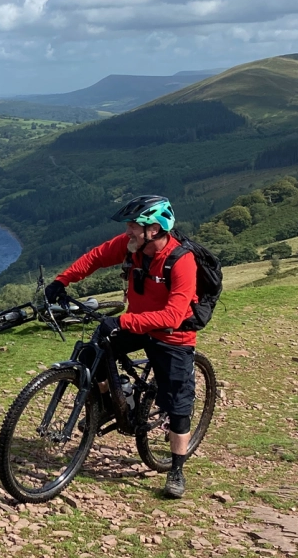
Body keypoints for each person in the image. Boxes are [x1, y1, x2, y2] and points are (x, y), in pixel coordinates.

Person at [45, 195, 197, 499]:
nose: (127, 231)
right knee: (92, 353)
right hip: (138, 323)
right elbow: (96, 257)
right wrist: (61, 282)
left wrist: (124, 322)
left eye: (133, 226)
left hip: (172, 335)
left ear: (153, 229)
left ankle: (177, 470)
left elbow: (174, 315)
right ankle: (106, 403)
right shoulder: (132, 248)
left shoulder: (182, 261)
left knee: (178, 405)